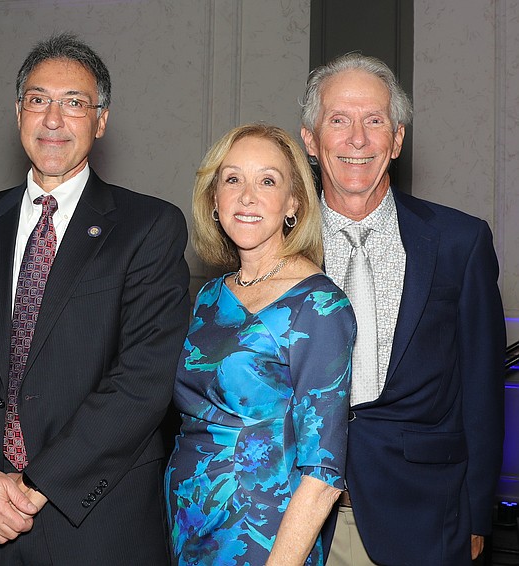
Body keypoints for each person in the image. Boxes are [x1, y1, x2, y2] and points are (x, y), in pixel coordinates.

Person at [0, 32, 190, 565]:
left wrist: (33, 486)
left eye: (74, 103)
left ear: (101, 120)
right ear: (18, 112)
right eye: (38, 100)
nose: (53, 119)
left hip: (95, 526)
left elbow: (143, 379)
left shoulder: (148, 227)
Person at [299, 53, 505, 565]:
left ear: (396, 139)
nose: (357, 139)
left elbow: (481, 387)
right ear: (310, 140)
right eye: (339, 120)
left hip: (424, 514)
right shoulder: (276, 248)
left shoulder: (460, 241)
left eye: (375, 121)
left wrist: (479, 513)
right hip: (292, 515)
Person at [166, 123, 356, 565]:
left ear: (294, 203)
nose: (247, 196)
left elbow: (324, 472)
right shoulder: (210, 296)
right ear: (214, 199)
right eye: (232, 179)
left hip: (263, 532)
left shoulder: (320, 305)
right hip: (189, 521)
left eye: (267, 181)